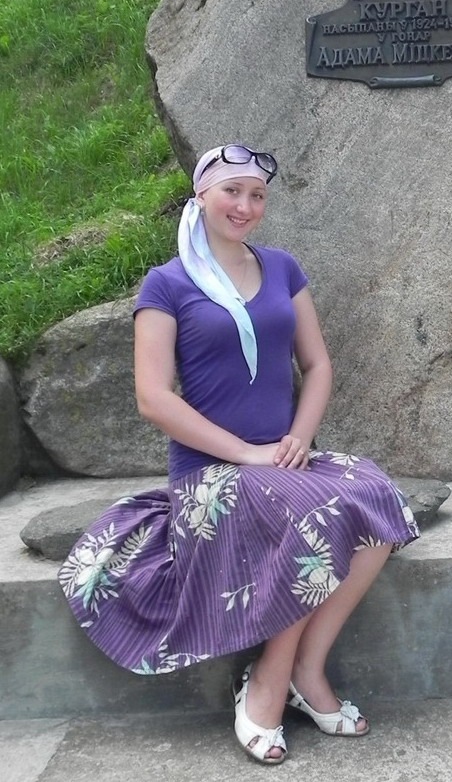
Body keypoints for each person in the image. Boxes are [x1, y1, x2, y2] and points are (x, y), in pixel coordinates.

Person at [59, 143, 419, 765]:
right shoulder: (167, 284)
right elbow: (152, 397)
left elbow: (317, 364)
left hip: (282, 461)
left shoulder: (282, 268)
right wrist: (245, 455)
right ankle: (267, 684)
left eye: (257, 195)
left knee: (375, 497)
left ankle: (306, 668)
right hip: (210, 474)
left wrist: (300, 435)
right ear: (202, 196)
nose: (245, 206)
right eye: (232, 192)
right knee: (313, 518)